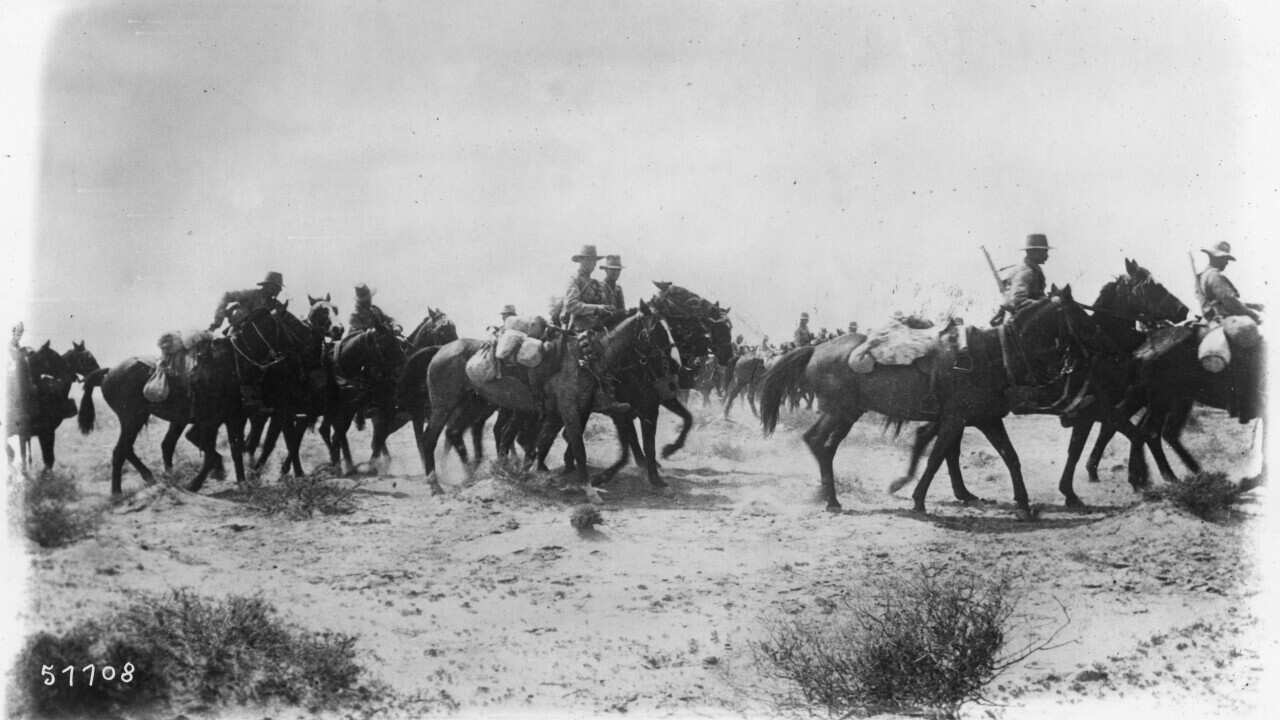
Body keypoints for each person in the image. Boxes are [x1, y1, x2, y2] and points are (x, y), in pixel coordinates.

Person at [562, 245, 630, 414]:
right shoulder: (574, 280)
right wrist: (597, 308)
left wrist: (607, 311)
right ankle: (602, 399)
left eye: (594, 261)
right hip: (579, 329)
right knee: (595, 356)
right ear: (581, 261)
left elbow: (606, 306)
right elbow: (571, 305)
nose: (591, 264)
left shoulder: (595, 284)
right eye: (588, 260)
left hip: (596, 329)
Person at [1197, 242, 1262, 323]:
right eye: (1225, 259)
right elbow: (1231, 303)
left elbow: (1221, 301)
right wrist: (1255, 316)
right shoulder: (1215, 276)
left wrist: (1253, 306)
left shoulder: (1205, 275)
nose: (1227, 263)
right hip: (1224, 320)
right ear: (1215, 258)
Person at [208, 271, 285, 332]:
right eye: (276, 287)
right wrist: (217, 322)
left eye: (279, 288)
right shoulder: (251, 294)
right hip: (238, 330)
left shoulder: (275, 304)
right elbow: (226, 296)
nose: (279, 290)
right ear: (267, 285)